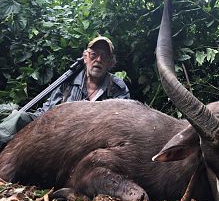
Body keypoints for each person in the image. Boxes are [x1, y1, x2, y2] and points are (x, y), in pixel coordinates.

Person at [0, 35, 130, 149]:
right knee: (19, 118)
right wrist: (25, 120)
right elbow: (47, 112)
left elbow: (120, 125)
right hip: (59, 136)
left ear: (110, 62)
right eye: (94, 55)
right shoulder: (68, 80)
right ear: (85, 57)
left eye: (104, 56)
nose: (98, 60)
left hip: (93, 141)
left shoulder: (117, 87)